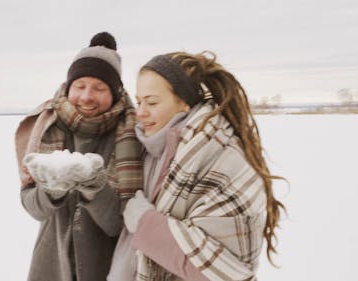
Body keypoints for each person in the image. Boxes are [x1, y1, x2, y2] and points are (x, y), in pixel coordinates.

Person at [108, 51, 285, 281]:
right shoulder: (143, 148)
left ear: (183, 103)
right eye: (139, 101)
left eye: (152, 102)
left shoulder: (218, 154)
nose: (140, 112)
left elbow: (225, 271)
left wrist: (145, 223)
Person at [14, 32, 143, 281]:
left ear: (115, 93)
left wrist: (94, 184)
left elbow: (117, 224)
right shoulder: (46, 128)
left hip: (107, 268)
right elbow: (32, 207)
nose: (86, 97)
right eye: (80, 86)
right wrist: (52, 190)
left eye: (99, 88)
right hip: (51, 266)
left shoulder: (132, 136)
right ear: (68, 87)